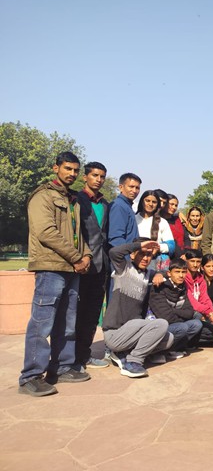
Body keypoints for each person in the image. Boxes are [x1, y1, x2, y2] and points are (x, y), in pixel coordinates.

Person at [19, 152, 93, 397]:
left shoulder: (73, 200)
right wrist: (76, 257)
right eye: (67, 168)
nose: (72, 173)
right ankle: (30, 376)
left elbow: (78, 234)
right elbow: (46, 231)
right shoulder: (42, 196)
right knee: (42, 324)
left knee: (67, 323)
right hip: (50, 267)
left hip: (71, 268)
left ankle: (61, 367)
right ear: (56, 168)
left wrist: (86, 255)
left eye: (75, 170)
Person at [102, 240, 173, 378]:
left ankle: (124, 353)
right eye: (141, 254)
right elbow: (113, 252)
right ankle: (133, 361)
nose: (145, 258)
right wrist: (139, 245)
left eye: (149, 255)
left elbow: (166, 273)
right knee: (161, 324)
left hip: (133, 332)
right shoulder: (123, 268)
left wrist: (160, 274)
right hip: (115, 333)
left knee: (169, 338)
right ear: (132, 255)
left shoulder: (147, 274)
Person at [75, 161, 111, 370]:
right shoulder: (77, 200)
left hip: (101, 266)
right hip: (82, 265)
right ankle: (71, 358)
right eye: (95, 175)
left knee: (92, 313)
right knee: (76, 313)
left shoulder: (105, 204)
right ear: (85, 177)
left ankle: (84, 354)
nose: (98, 179)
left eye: (102, 176)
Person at [148, 259, 203, 356]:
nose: (181, 275)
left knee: (197, 323)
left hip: (174, 322)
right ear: (169, 273)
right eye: (177, 272)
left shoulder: (182, 287)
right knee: (182, 327)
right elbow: (166, 317)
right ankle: (157, 352)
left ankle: (172, 349)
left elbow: (189, 312)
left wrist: (173, 311)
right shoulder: (159, 287)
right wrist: (180, 315)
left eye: (183, 272)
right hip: (158, 327)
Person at [183, 249, 213, 345]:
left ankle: (193, 340)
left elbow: (205, 299)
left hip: (200, 312)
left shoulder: (200, 278)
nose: (195, 265)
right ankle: (186, 343)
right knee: (198, 316)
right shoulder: (183, 277)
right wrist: (209, 313)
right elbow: (191, 301)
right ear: (186, 261)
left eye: (198, 261)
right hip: (187, 312)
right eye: (192, 261)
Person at [135, 190, 175, 271]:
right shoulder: (133, 219)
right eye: (147, 201)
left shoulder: (162, 222)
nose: (150, 204)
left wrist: (156, 247)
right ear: (142, 201)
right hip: (135, 260)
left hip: (155, 262)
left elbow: (171, 246)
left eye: (154, 202)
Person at [108, 172, 142, 248]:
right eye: (131, 187)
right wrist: (126, 254)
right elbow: (116, 238)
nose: (134, 191)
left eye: (137, 188)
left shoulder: (127, 206)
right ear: (121, 187)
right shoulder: (118, 206)